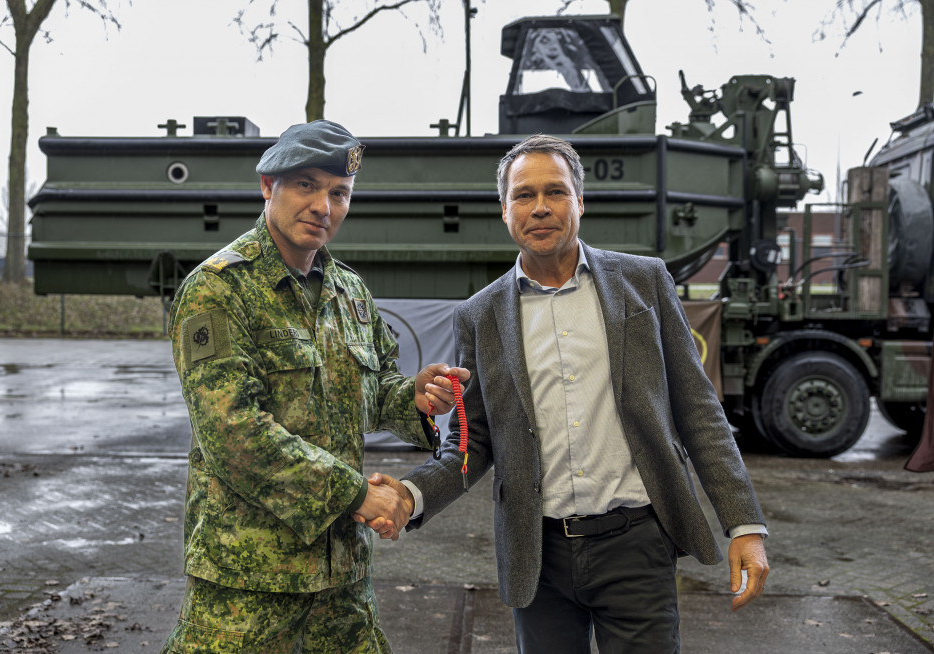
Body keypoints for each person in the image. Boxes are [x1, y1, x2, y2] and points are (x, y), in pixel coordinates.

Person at [363, 134, 770, 653]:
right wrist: (410, 495)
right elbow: (473, 443)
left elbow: (698, 411)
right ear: (504, 209)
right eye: (523, 195)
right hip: (539, 557)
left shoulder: (643, 283)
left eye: (554, 191)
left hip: (638, 544)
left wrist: (745, 526)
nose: (539, 207)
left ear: (579, 201)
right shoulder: (481, 316)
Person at [160, 119, 467, 653]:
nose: (323, 206)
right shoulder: (216, 289)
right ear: (267, 185)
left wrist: (410, 396)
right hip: (248, 584)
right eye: (307, 185)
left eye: (339, 193)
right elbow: (234, 433)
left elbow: (366, 394)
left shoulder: (349, 291)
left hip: (341, 579)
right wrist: (358, 495)